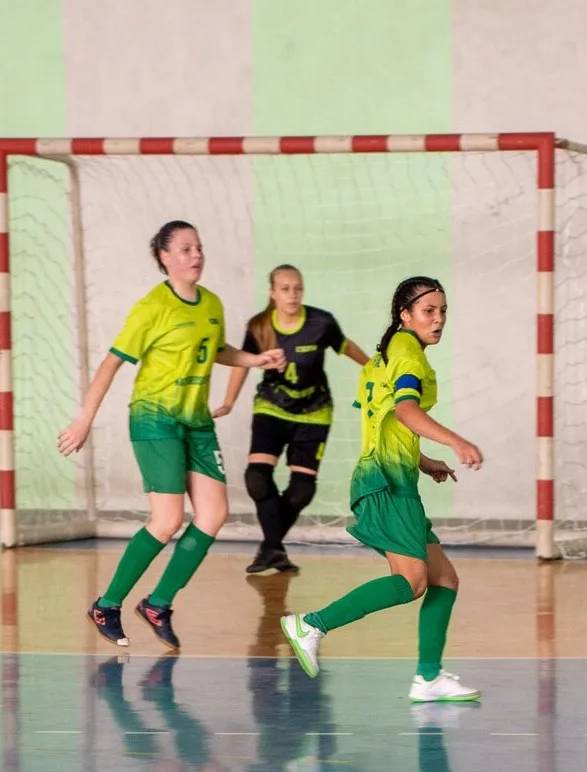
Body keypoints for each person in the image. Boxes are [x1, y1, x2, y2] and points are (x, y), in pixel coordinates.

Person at [59, 220, 285, 650]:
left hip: (196, 422)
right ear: (164, 257)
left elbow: (216, 350)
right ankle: (107, 604)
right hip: (154, 420)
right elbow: (110, 364)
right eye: (184, 249)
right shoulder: (152, 308)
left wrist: (256, 360)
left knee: (213, 515)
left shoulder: (212, 304)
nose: (195, 255)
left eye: (198, 247)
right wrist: (84, 417)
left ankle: (157, 604)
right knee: (167, 520)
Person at [279, 276, 484, 704]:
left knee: (444, 578)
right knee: (411, 583)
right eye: (429, 311)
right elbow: (406, 410)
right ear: (404, 315)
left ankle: (428, 678)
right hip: (386, 483)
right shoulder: (408, 353)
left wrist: (425, 462)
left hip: (391, 477)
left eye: (443, 311)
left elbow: (382, 423)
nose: (439, 319)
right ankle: (311, 624)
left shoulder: (381, 358)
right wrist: (456, 441)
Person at [213, 264, 370, 575]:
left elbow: (347, 347)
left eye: (298, 288)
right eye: (285, 288)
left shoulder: (321, 322)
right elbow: (242, 364)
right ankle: (273, 549)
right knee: (257, 479)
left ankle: (270, 548)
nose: (293, 294)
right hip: (272, 406)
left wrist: (376, 371)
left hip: (315, 410)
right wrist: (229, 402)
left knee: (302, 491)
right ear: (272, 293)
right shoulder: (259, 327)